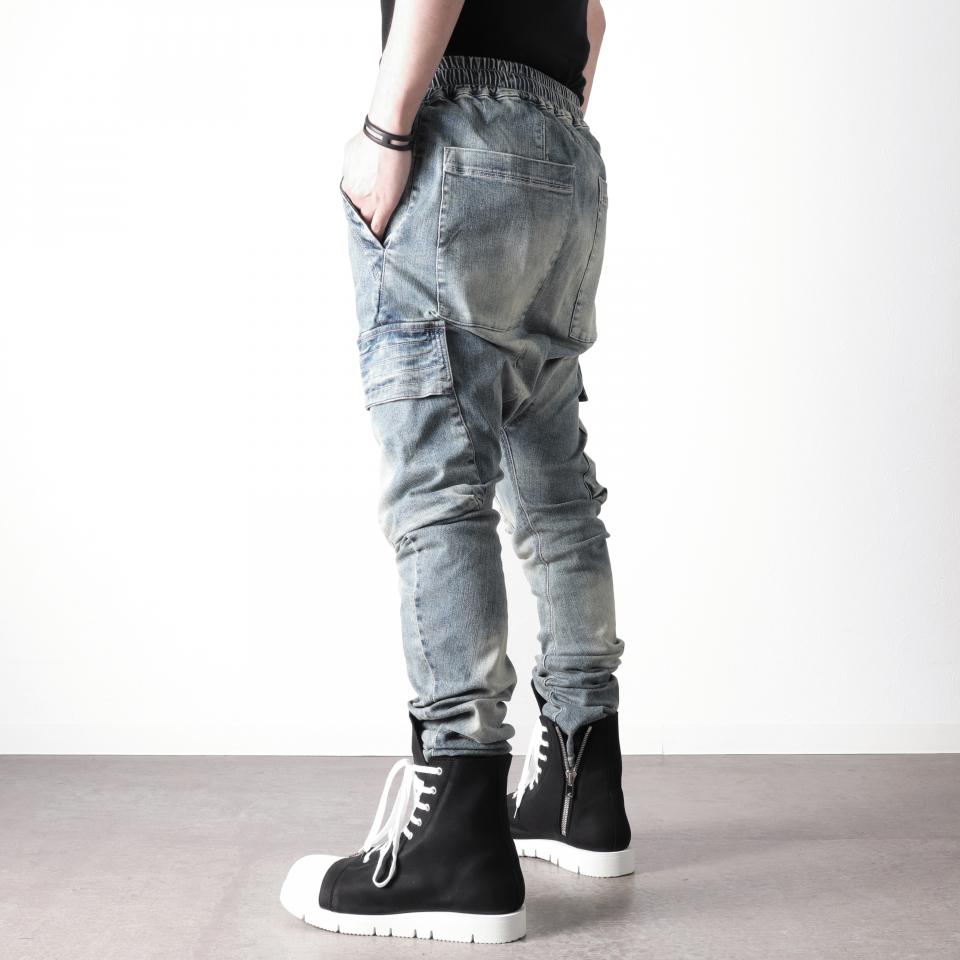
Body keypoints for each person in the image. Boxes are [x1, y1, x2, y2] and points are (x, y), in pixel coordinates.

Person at [281, 0, 631, 943]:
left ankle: (459, 832)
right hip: (564, 150)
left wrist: (386, 128)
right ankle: (581, 787)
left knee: (440, 481)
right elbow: (593, 18)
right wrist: (543, 128)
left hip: (457, 129)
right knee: (554, 488)